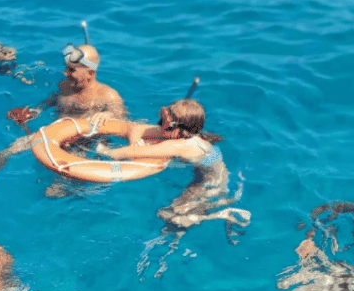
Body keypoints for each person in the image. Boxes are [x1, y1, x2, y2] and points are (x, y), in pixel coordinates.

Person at [0, 22, 126, 208]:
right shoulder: (64, 86)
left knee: (53, 192)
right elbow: (51, 100)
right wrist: (35, 111)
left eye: (72, 70)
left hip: (82, 144)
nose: (65, 73)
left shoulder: (108, 96)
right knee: (1, 155)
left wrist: (108, 116)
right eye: (66, 68)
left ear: (90, 73)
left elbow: (124, 127)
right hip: (51, 134)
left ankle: (73, 194)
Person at [94, 98, 250, 277]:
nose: (160, 121)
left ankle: (221, 215)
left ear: (176, 128)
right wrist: (137, 141)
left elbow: (118, 154)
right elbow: (137, 128)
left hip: (211, 186)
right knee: (171, 215)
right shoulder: (184, 136)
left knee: (171, 217)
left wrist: (102, 148)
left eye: (165, 120)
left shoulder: (179, 145)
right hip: (214, 176)